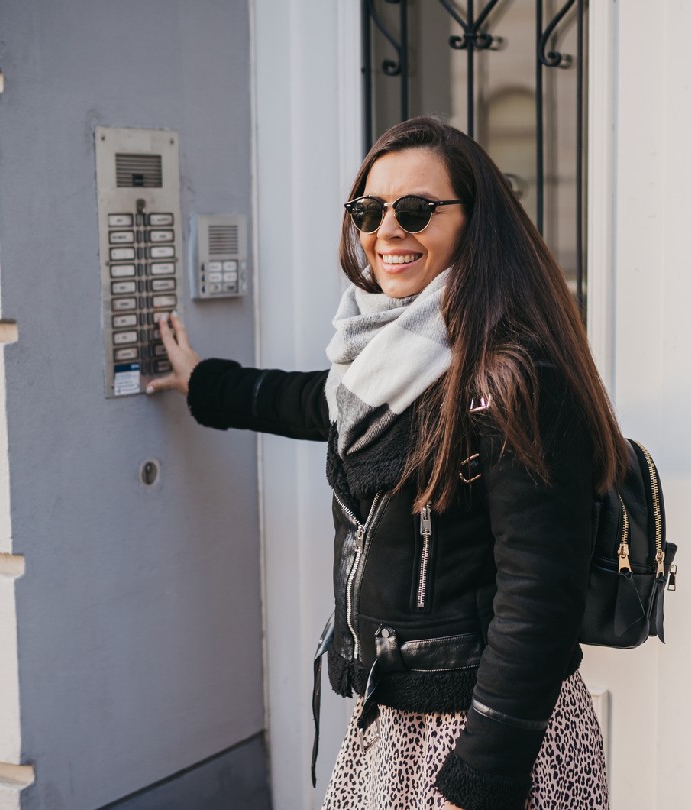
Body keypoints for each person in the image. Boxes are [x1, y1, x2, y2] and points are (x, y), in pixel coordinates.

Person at [147, 115, 626, 810]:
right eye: (369, 211)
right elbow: (313, 403)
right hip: (395, 719)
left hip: (481, 734)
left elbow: (540, 595)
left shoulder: (512, 374)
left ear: (475, 223)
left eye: (416, 209)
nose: (387, 231)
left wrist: (482, 775)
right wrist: (204, 381)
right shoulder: (389, 360)